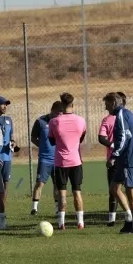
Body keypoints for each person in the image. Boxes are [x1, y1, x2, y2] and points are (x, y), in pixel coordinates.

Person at [98, 91, 133, 226]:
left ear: (114, 103)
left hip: (127, 159)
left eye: (107, 104)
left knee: (131, 192)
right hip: (123, 160)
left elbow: (123, 138)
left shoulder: (121, 115)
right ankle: (129, 216)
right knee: (114, 187)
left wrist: (113, 156)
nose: (106, 107)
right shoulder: (128, 114)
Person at [48, 93, 87, 230]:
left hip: (61, 162)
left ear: (61, 104)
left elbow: (52, 140)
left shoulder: (54, 122)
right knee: (77, 191)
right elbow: (81, 138)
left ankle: (61, 223)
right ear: (72, 104)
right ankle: (80, 223)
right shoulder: (81, 120)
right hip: (76, 161)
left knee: (62, 193)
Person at [29, 100, 63, 215]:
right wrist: (42, 145)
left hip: (58, 158)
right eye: (58, 113)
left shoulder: (61, 122)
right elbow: (33, 138)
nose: (59, 115)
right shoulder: (40, 121)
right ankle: (34, 208)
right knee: (40, 183)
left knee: (57, 185)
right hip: (45, 158)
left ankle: (57, 208)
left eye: (61, 113)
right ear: (52, 110)